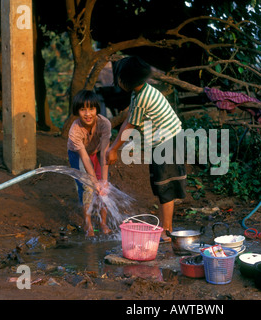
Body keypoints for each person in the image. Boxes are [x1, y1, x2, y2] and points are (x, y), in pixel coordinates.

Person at [106, 56, 187, 242]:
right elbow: (130, 119)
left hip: (168, 142)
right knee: (161, 186)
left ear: (125, 80)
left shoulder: (143, 97)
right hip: (164, 141)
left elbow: (130, 126)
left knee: (165, 187)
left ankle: (167, 231)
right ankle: (163, 227)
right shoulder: (139, 92)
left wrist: (113, 149)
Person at [67, 89, 112, 236]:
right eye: (83, 109)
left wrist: (103, 181)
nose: (88, 114)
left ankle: (103, 223)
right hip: (78, 155)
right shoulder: (75, 130)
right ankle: (88, 224)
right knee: (88, 187)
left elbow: (105, 152)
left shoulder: (104, 124)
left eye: (91, 109)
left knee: (104, 188)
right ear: (77, 111)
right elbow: (85, 158)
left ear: (97, 109)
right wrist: (94, 181)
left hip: (98, 152)